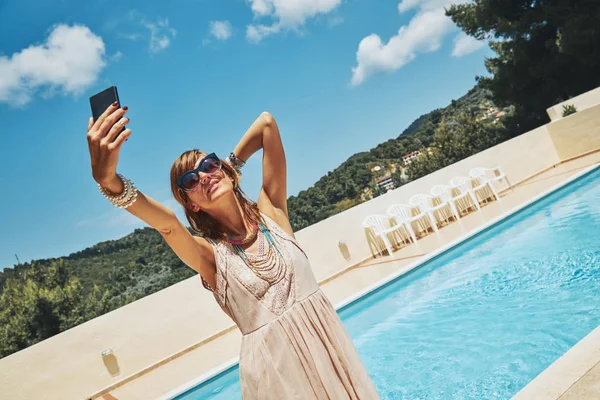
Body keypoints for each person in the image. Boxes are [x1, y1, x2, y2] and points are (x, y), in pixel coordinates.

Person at [86, 102, 380, 399]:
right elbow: (168, 226)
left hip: (331, 356)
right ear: (192, 204)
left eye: (209, 165)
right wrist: (108, 181)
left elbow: (266, 125)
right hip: (278, 382)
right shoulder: (211, 257)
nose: (203, 176)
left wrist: (229, 165)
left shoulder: (273, 213)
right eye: (190, 180)